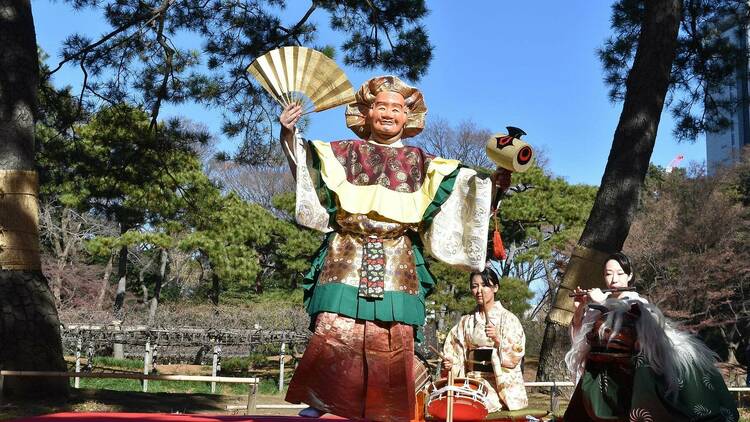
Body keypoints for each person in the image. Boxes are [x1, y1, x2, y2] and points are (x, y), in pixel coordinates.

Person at [279, 76, 506, 421]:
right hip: (347, 250)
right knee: (336, 324)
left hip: (397, 255)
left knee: (393, 333)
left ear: (408, 116)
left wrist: (497, 179)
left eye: (396, 108)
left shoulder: (423, 162)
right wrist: (287, 134)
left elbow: (468, 191)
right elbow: (307, 169)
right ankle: (323, 399)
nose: (388, 113)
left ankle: (386, 406)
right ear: (366, 113)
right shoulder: (342, 153)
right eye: (380, 106)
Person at [564, 252, 739, 421]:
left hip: (633, 373)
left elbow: (633, 333)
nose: (614, 279)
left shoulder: (637, 301)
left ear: (629, 275)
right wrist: (580, 308)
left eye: (620, 273)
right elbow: (581, 341)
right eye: (608, 274)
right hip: (602, 370)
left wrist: (602, 303)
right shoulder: (600, 299)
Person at [441, 269, 528, 412]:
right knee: (452, 403)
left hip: (497, 383)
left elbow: (515, 355)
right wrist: (451, 363)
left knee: (477, 405)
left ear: (495, 288)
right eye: (475, 286)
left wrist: (498, 339)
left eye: (484, 285)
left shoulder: (508, 319)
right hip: (470, 380)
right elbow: (454, 350)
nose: (479, 290)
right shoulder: (466, 321)